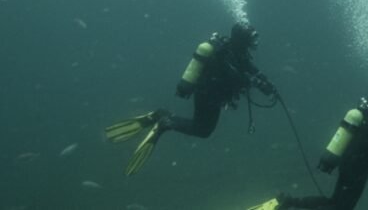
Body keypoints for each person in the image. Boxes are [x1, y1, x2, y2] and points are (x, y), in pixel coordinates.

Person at [104, 22, 276, 175]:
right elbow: (236, 76)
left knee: (203, 129)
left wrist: (266, 82)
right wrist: (257, 83)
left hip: (213, 96)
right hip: (207, 96)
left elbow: (249, 68)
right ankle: (164, 122)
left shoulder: (238, 52)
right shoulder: (224, 55)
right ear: (241, 40)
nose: (255, 42)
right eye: (252, 38)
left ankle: (160, 115)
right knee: (202, 130)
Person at [252, 87, 368, 210]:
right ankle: (287, 204)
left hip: (349, 163)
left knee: (335, 202)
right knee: (340, 207)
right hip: (357, 169)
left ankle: (288, 202)